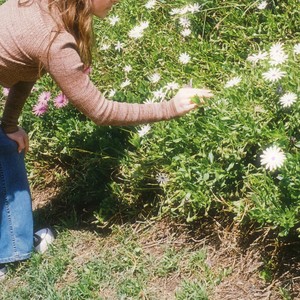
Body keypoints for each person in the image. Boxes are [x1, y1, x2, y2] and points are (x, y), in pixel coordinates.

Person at [0, 0, 213, 279]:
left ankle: (13, 245)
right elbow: (100, 111)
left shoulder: (39, 7)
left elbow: (26, 71)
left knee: (5, 147)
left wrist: (8, 125)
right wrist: (169, 108)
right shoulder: (54, 40)